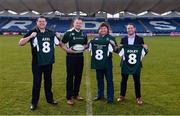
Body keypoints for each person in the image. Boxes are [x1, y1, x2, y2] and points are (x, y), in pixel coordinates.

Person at [19, 16, 60, 111]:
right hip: (37, 63)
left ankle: (50, 99)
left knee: (48, 82)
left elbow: (57, 43)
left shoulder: (51, 33)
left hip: (48, 62)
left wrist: (58, 37)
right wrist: (30, 36)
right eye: (40, 21)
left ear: (46, 23)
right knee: (37, 83)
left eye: (43, 21)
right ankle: (34, 102)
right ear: (37, 22)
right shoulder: (32, 31)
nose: (42, 23)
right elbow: (20, 43)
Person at [117, 23, 148, 105]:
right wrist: (119, 47)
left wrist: (145, 48)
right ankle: (122, 95)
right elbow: (119, 51)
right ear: (127, 30)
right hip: (125, 63)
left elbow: (143, 52)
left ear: (135, 29)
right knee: (123, 80)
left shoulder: (140, 39)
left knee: (137, 81)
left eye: (131, 28)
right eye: (128, 28)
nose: (130, 29)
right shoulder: (123, 39)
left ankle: (138, 97)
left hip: (136, 64)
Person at [60, 18, 88, 105]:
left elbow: (85, 44)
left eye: (80, 23)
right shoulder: (68, 32)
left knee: (78, 76)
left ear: (82, 24)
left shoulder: (84, 33)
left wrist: (85, 47)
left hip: (80, 57)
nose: (78, 24)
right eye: (77, 23)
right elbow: (61, 43)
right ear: (74, 24)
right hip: (71, 57)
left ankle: (76, 94)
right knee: (70, 77)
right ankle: (69, 97)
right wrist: (67, 50)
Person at [89, 22, 117, 103]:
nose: (103, 30)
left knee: (109, 80)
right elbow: (89, 47)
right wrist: (89, 42)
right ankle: (100, 95)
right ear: (99, 30)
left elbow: (116, 49)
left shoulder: (111, 38)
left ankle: (110, 97)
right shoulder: (96, 38)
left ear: (107, 30)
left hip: (107, 62)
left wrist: (113, 44)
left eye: (105, 28)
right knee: (99, 79)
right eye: (101, 28)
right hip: (98, 62)